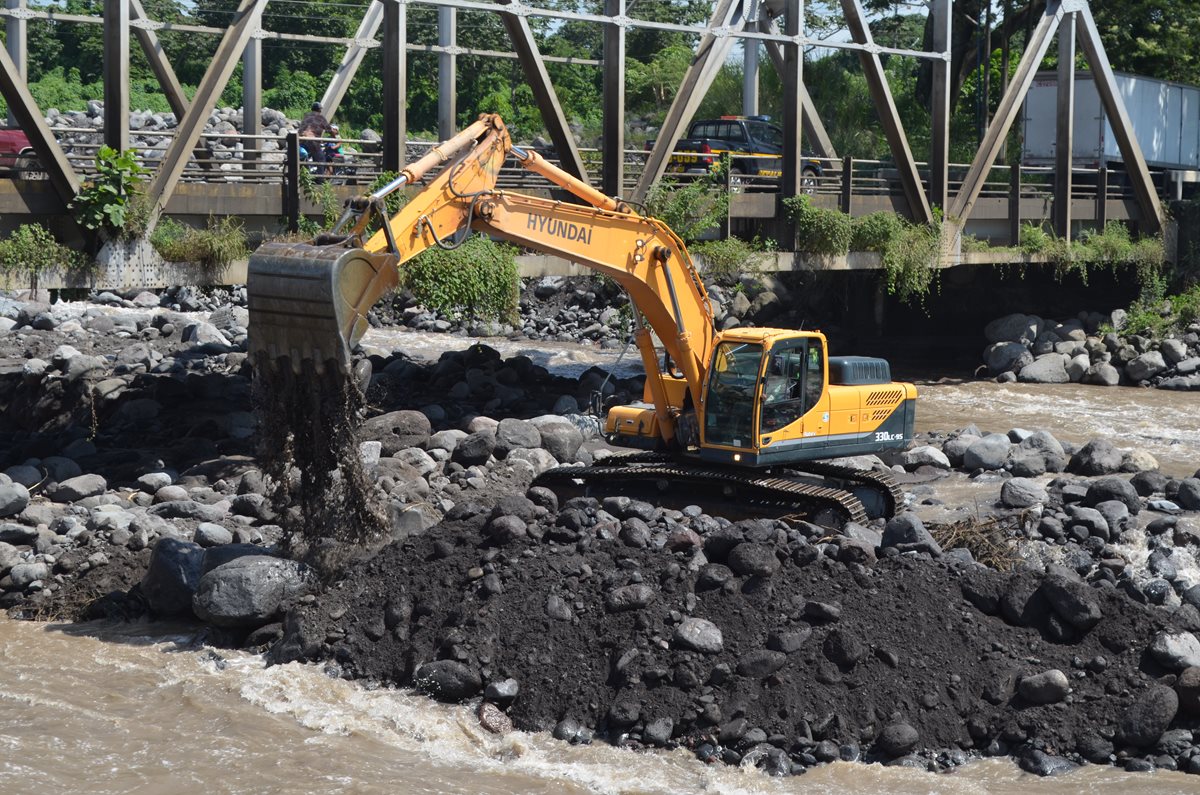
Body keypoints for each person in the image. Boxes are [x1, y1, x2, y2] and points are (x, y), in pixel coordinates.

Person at [298, 101, 334, 168]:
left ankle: (305, 171)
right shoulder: (320, 117)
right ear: (319, 109)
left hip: (301, 139)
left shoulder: (306, 116)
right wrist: (334, 136)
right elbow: (329, 129)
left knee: (307, 156)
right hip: (312, 141)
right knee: (321, 160)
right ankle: (320, 178)